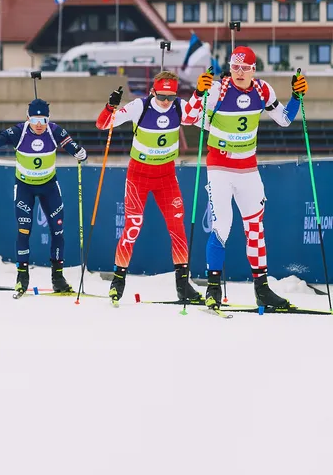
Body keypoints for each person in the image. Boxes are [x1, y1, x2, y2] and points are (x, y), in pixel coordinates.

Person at [181, 47, 306, 310]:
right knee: (222, 226)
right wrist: (198, 93)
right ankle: (213, 288)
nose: (239, 73)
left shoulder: (263, 90)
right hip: (220, 169)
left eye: (245, 68)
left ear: (253, 70)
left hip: (248, 169)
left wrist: (296, 96)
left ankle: (262, 290)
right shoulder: (218, 90)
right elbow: (188, 117)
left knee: (255, 230)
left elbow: (284, 119)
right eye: (235, 67)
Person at [96, 72, 203, 304]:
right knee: (133, 226)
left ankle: (183, 285)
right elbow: (103, 124)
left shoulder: (179, 107)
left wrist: (199, 94)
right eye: (162, 96)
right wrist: (110, 107)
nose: (166, 102)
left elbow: (196, 118)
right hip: (139, 175)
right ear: (153, 92)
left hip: (166, 176)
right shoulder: (139, 106)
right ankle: (118, 281)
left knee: (177, 227)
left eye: (170, 97)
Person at [0, 99, 87, 296]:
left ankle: (58, 277)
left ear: (49, 119)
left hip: (49, 187)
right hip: (24, 188)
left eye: (44, 119)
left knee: (58, 231)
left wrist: (80, 153)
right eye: (35, 119)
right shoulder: (18, 132)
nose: (39, 124)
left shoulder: (54, 131)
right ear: (28, 117)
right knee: (24, 231)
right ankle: (22, 277)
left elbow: (73, 147)